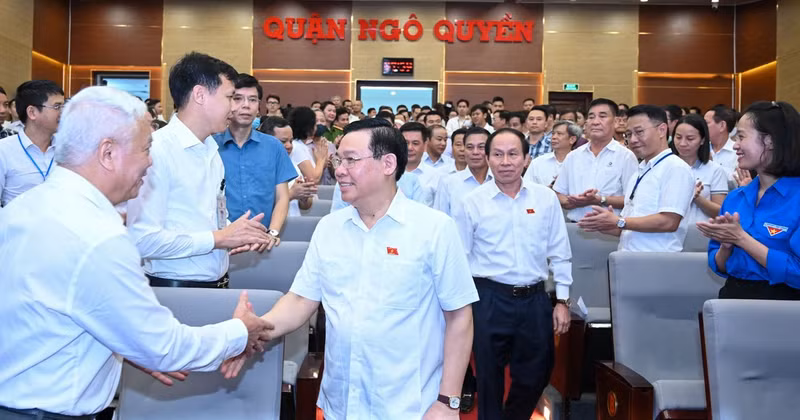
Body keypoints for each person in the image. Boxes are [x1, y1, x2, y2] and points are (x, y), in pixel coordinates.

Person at [0, 86, 272, 419]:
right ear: (108, 153)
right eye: (145, 148)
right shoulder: (99, 237)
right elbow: (164, 347)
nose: (150, 161)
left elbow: (51, 311)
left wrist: (128, 347)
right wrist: (239, 331)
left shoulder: (25, 207)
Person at [224, 118, 479, 419]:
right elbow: (300, 300)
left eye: (351, 160)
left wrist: (447, 401)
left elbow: (459, 317)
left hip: (409, 404)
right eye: (338, 159)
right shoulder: (330, 229)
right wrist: (253, 330)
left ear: (387, 164)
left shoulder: (434, 229)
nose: (339, 170)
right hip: (341, 401)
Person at [453, 128, 572, 420]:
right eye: (498, 154)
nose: (505, 161)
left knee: (538, 372)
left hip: (534, 299)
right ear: (488, 158)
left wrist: (562, 300)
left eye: (512, 154)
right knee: (489, 377)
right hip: (488, 298)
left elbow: (560, 250)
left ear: (526, 158)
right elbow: (460, 257)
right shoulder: (473, 202)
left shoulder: (545, 199)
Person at [126, 52, 272, 288]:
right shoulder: (157, 151)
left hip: (218, 283)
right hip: (173, 289)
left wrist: (238, 232)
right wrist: (219, 238)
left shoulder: (211, 149)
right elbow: (142, 239)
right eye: (230, 97)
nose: (234, 108)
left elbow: (206, 218)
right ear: (200, 95)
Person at [697, 101, 800, 300]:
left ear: (769, 141)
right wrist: (726, 247)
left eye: (741, 137)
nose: (735, 145)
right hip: (732, 297)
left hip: (784, 307)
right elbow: (718, 264)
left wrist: (741, 239)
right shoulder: (737, 197)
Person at [578, 105, 695, 252]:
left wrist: (620, 222)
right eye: (628, 134)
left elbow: (669, 221)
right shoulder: (640, 171)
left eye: (639, 132)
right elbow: (628, 228)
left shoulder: (676, 168)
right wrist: (606, 224)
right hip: (629, 257)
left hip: (657, 261)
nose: (633, 140)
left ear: (662, 130)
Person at [213, 73, 297, 251]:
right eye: (237, 99)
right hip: (219, 243)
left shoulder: (274, 146)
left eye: (252, 100)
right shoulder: (211, 145)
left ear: (259, 107)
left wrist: (273, 232)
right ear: (228, 102)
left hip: (262, 244)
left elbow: (282, 197)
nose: (245, 105)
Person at [554, 98, 638, 222]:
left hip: (610, 231)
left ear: (615, 122)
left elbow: (632, 200)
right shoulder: (573, 156)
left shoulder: (626, 156)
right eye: (591, 117)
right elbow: (558, 193)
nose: (595, 122)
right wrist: (574, 202)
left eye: (602, 116)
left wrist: (601, 200)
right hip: (575, 226)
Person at [0, 80, 64, 207]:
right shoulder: (3, 151)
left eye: (63, 106)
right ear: (32, 112)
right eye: (57, 107)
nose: (63, 112)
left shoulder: (67, 150)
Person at [671, 114, 728, 225]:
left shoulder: (714, 170)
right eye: (678, 137)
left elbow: (720, 212)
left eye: (690, 138)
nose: (682, 143)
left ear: (702, 140)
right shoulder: (666, 167)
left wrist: (696, 197)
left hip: (701, 235)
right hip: (668, 235)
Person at [262, 116, 316, 216]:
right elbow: (260, 206)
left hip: (293, 226)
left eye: (291, 141)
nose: (289, 146)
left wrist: (304, 197)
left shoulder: (292, 166)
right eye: (283, 141)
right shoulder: (257, 168)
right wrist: (292, 194)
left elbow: (306, 206)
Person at [434, 127, 492, 216]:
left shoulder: (500, 181)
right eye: (470, 147)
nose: (475, 152)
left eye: (481, 147)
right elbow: (440, 219)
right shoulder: (448, 183)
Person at [524, 120, 579, 187]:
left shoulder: (580, 162)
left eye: (559, 134)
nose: (554, 137)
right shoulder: (538, 162)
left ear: (572, 139)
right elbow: (527, 187)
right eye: (553, 133)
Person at [400, 122, 440, 206]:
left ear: (425, 145)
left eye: (415, 143)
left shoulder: (435, 176)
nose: (410, 148)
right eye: (406, 143)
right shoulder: (387, 174)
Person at [288, 106, 331, 184]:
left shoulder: (300, 145)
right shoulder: (297, 147)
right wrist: (320, 159)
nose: (316, 127)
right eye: (315, 123)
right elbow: (313, 179)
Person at [704, 105, 739, 180]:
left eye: (706, 123)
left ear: (722, 126)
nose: (702, 127)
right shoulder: (701, 149)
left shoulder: (737, 151)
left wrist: (711, 165)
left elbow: (736, 184)